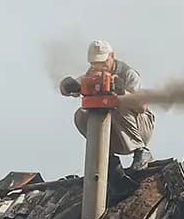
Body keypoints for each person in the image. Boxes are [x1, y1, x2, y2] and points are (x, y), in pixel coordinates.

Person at [60, 40, 155, 169]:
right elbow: (70, 88)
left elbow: (141, 107)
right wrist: (66, 86)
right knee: (81, 114)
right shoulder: (91, 75)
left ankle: (141, 151)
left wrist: (122, 92)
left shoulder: (127, 74)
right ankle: (108, 158)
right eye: (95, 63)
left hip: (140, 127)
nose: (100, 67)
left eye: (103, 62)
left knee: (117, 103)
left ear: (112, 56)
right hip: (114, 130)